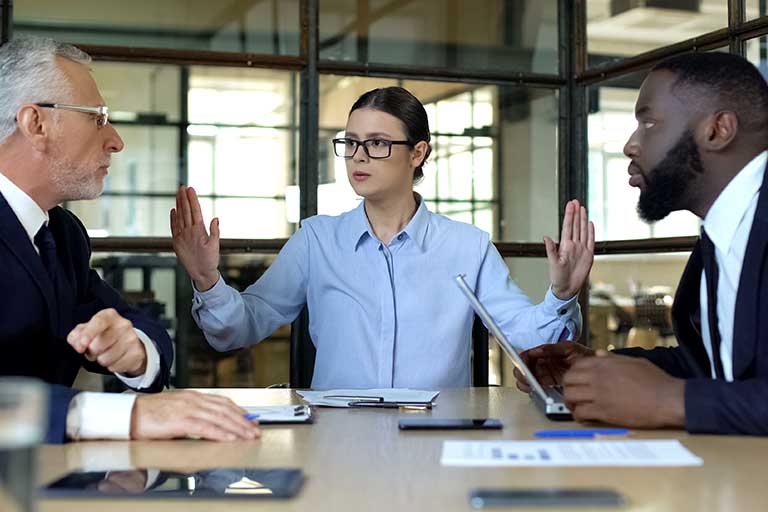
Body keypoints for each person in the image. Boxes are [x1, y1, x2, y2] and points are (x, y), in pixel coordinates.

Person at [172, 86, 595, 389]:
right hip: (336, 444)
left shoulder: (467, 246)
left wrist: (560, 294)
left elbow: (527, 337)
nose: (358, 156)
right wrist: (208, 281)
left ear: (418, 153)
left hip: (437, 443)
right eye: (351, 143)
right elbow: (238, 329)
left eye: (376, 143)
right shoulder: (316, 241)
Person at [0, 37, 260, 443]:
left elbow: (141, 328)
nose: (116, 140)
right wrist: (123, 414)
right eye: (97, 118)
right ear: (36, 124)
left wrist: (135, 352)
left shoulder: (63, 235)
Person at [514, 52, 768, 435]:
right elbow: (717, 370)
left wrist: (671, 401)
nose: (631, 146)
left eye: (648, 122)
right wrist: (596, 371)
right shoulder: (722, 231)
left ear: (718, 130)